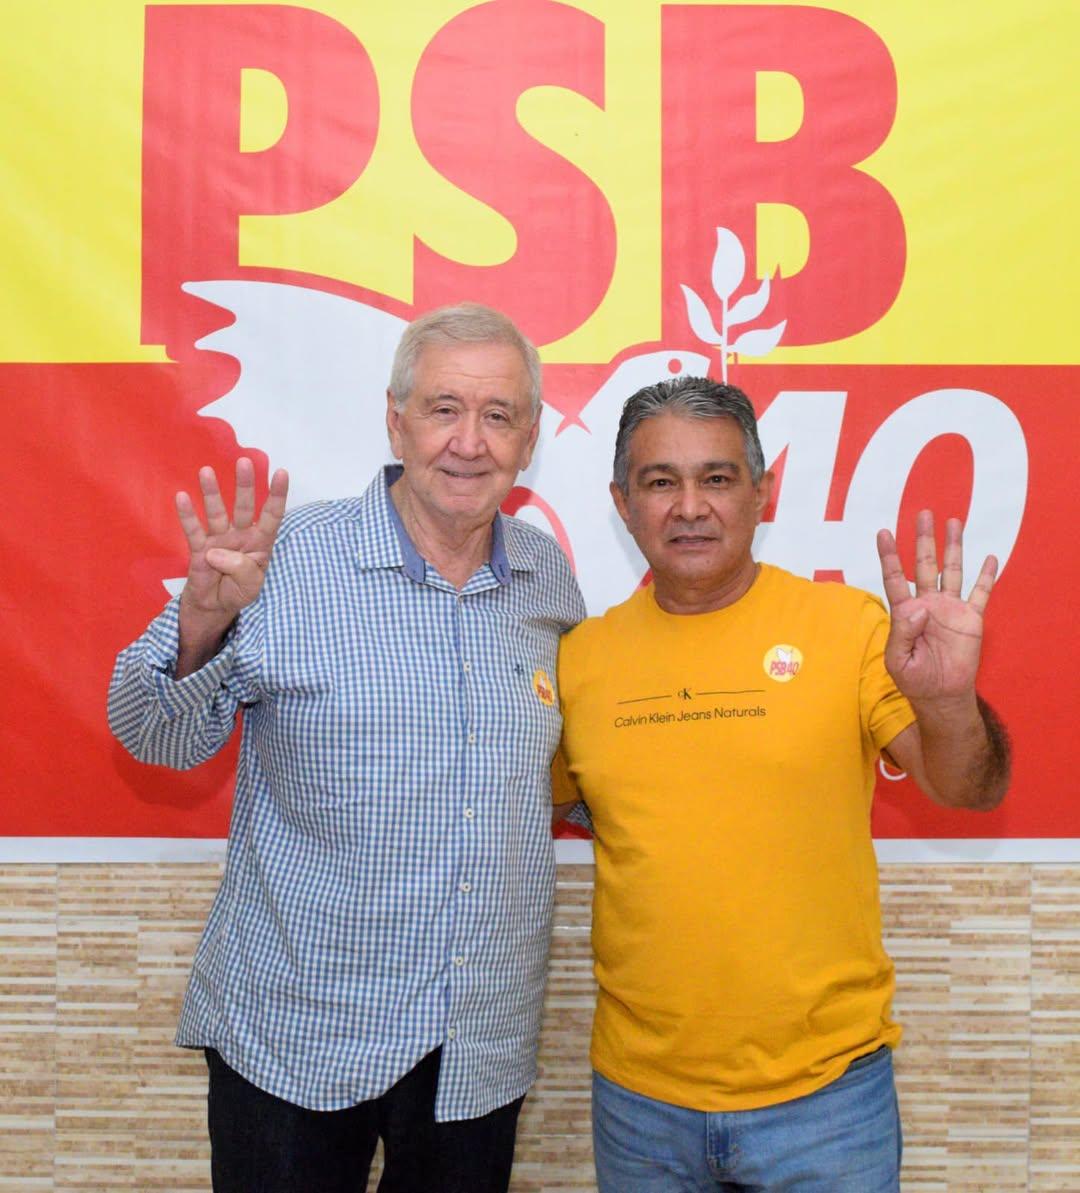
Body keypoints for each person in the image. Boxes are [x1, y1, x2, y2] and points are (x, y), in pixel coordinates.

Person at [108, 303, 586, 1193]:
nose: (469, 442)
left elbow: (569, 768)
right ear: (396, 418)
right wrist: (203, 618)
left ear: (530, 440)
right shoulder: (284, 559)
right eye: (444, 408)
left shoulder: (546, 579)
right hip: (296, 1036)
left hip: (474, 1045)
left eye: (498, 415)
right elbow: (152, 734)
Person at [553, 376, 1010, 1193]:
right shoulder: (579, 659)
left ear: (762, 493)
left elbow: (969, 786)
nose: (690, 505)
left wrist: (946, 701)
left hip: (827, 1104)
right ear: (623, 503)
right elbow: (532, 807)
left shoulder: (849, 629)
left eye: (718, 478)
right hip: (640, 1106)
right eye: (661, 481)